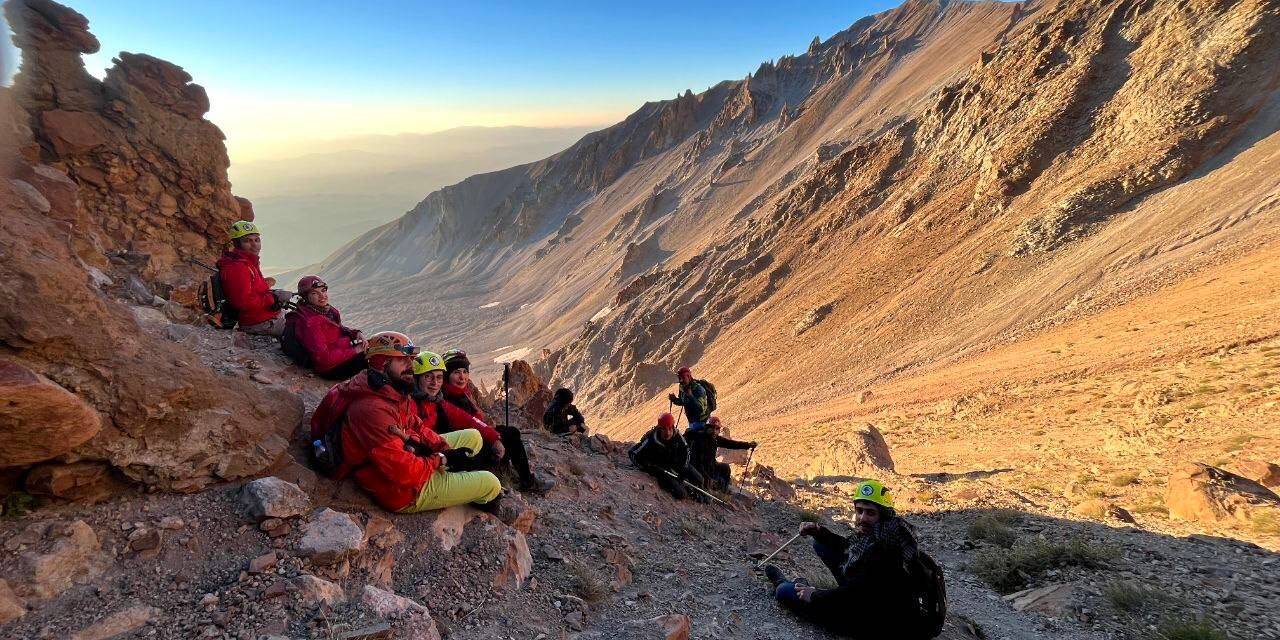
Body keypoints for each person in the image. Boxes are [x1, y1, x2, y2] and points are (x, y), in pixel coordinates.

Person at [336, 331, 501, 513]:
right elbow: (403, 472)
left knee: (473, 437)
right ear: (382, 363)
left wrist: (443, 448)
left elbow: (417, 427)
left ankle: (461, 483)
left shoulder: (390, 391)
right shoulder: (371, 410)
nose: (411, 366)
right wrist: (441, 459)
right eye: (402, 360)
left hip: (411, 459)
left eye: (411, 359)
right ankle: (476, 497)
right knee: (491, 483)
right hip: (402, 491)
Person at [762, 480, 930, 638]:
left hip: (872, 619)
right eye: (860, 510)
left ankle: (787, 583)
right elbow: (847, 547)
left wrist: (815, 595)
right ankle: (804, 586)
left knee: (784, 591)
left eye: (870, 512)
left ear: (883, 515)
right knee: (821, 544)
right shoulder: (882, 532)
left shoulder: (887, 549)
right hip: (866, 595)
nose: (863, 518)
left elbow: (854, 593)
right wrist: (819, 532)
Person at [435, 349, 555, 493]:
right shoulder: (450, 398)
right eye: (456, 372)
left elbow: (475, 420)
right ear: (447, 375)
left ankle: (509, 471)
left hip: (471, 442)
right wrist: (493, 437)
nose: (462, 377)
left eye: (465, 372)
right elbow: (469, 422)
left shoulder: (457, 392)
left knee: (508, 432)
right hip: (464, 451)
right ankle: (526, 482)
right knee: (511, 434)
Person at [216, 220, 292, 336]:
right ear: (237, 244)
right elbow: (243, 302)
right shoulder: (238, 267)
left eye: (257, 240)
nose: (254, 244)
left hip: (265, 317)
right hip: (259, 323)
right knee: (307, 328)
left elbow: (253, 289)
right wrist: (273, 298)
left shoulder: (248, 263)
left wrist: (271, 290)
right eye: (247, 241)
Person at [281, 275, 366, 379]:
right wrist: (355, 350)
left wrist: (356, 333)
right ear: (305, 297)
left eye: (323, 291)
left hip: (339, 352)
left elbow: (338, 328)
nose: (322, 296)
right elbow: (323, 359)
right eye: (314, 293)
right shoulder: (310, 322)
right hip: (330, 368)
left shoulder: (324, 311)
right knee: (377, 358)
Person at [627, 413, 706, 500]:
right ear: (659, 428)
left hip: (675, 464)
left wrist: (682, 468)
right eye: (664, 429)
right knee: (681, 494)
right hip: (661, 470)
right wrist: (644, 467)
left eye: (669, 428)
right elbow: (633, 452)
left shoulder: (678, 437)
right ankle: (689, 491)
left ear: (673, 427)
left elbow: (686, 452)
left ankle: (698, 493)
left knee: (700, 479)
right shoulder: (651, 438)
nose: (667, 432)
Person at [686, 416, 755, 492]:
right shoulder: (700, 439)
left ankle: (723, 491)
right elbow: (696, 460)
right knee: (711, 481)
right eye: (716, 428)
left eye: (718, 429)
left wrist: (748, 445)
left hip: (711, 465)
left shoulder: (715, 439)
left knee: (725, 468)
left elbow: (731, 444)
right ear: (709, 428)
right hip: (700, 467)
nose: (717, 431)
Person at [668, 366, 711, 431]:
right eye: (679, 378)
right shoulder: (683, 387)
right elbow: (683, 401)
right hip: (692, 421)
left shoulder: (698, 389)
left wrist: (691, 396)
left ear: (688, 376)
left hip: (702, 421)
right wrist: (674, 400)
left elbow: (700, 409)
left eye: (683, 378)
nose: (681, 380)